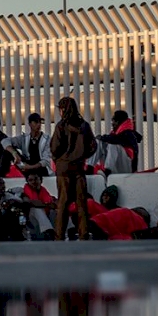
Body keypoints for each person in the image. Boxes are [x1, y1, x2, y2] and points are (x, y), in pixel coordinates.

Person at [50, 97, 96, 241]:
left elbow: (54, 148)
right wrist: (81, 156)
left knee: (63, 203)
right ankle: (83, 235)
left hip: (63, 169)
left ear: (63, 109)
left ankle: (59, 236)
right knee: (81, 204)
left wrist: (61, 158)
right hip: (79, 168)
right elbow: (93, 146)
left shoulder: (61, 126)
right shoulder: (84, 126)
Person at [89, 110, 143, 174]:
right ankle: (90, 167)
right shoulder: (115, 134)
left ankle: (107, 171)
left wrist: (102, 138)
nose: (112, 123)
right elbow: (112, 138)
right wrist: (100, 139)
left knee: (113, 145)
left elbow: (116, 140)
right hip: (118, 165)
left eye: (113, 120)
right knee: (99, 142)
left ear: (117, 122)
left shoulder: (129, 134)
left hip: (128, 167)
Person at [1, 112, 53, 177]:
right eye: (36, 122)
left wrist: (29, 167)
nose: (39, 124)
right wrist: (15, 154)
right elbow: (5, 141)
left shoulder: (47, 139)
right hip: (27, 167)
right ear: (30, 124)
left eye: (40, 122)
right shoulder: (24, 138)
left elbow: (45, 161)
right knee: (7, 152)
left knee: (41, 167)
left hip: (41, 169)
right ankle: (0, 176)